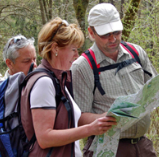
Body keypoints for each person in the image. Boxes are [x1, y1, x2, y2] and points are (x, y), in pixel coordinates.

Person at [20, 17, 117, 157]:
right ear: (55, 48)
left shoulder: (58, 80)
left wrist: (102, 118)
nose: (77, 55)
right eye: (73, 50)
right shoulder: (44, 83)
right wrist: (90, 129)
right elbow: (44, 138)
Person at [71, 3, 157, 157]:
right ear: (91, 32)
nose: (113, 38)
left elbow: (154, 88)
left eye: (117, 32)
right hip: (108, 148)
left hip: (142, 145)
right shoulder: (82, 67)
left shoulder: (136, 52)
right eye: (105, 34)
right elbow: (78, 117)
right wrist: (107, 118)